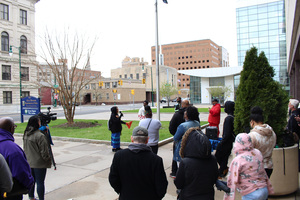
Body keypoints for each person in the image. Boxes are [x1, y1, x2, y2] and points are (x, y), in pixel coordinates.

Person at [108, 126, 168, 200]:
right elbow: (162, 185)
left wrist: (123, 191)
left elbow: (113, 179)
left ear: (132, 139)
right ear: (147, 140)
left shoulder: (119, 156)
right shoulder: (156, 160)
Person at [224, 133, 274, 200]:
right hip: (263, 189)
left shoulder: (238, 160)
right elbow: (262, 170)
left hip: (250, 193)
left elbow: (232, 180)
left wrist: (228, 197)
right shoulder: (257, 153)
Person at [174, 127, 218, 200]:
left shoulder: (185, 162)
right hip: (208, 196)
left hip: (188, 196)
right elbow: (214, 178)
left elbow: (178, 183)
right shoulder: (212, 159)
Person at [0, 117, 34, 200]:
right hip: (11, 194)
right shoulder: (13, 150)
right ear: (11, 128)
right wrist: (29, 184)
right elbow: (22, 173)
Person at [23, 115, 52, 200]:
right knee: (40, 182)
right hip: (39, 163)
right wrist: (48, 160)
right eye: (39, 121)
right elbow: (44, 152)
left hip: (29, 162)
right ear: (36, 123)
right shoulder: (40, 136)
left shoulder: (26, 134)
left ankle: (31, 197)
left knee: (32, 181)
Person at [248, 106, 276, 178]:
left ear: (252, 122)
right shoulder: (272, 133)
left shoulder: (252, 136)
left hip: (256, 167)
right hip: (269, 166)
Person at [215, 101, 235, 178]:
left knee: (218, 155)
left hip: (226, 141)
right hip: (230, 141)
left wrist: (221, 142)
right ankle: (222, 170)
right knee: (225, 157)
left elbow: (227, 133)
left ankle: (222, 170)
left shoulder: (229, 118)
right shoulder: (233, 116)